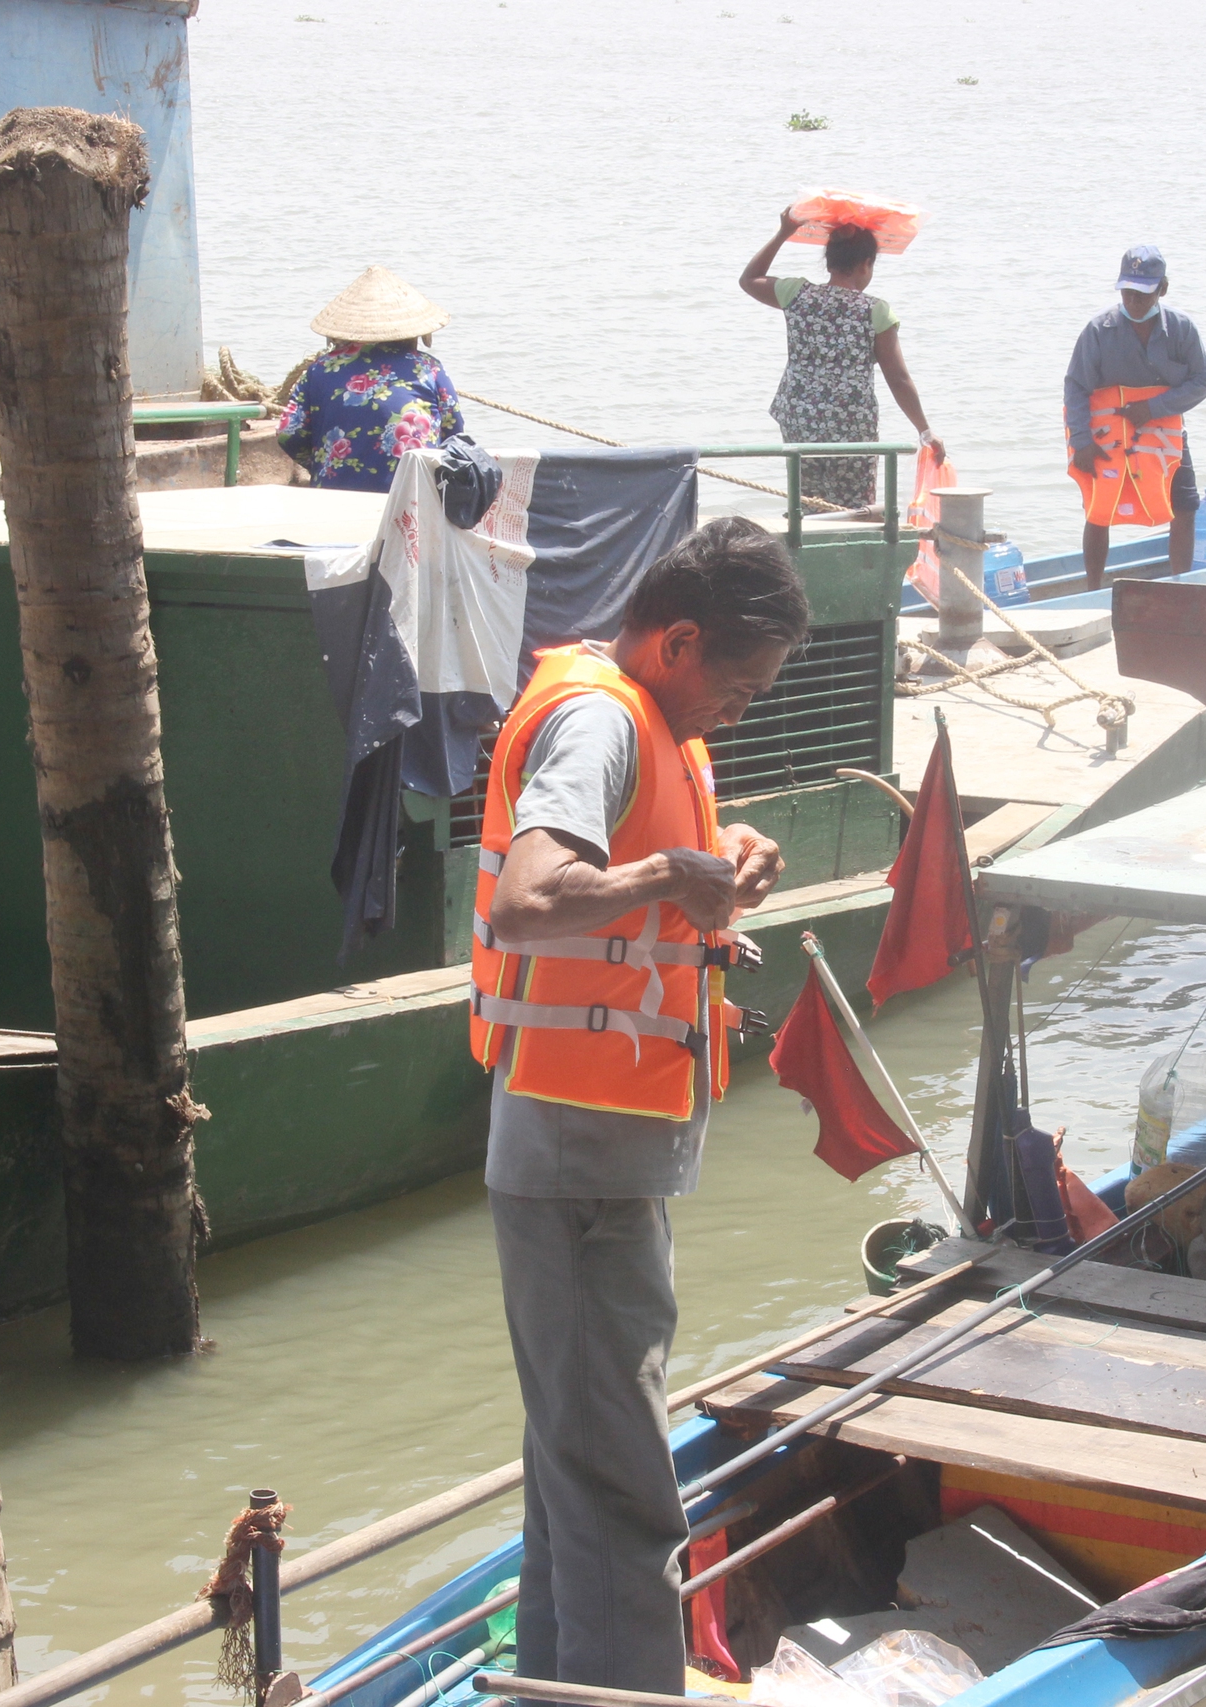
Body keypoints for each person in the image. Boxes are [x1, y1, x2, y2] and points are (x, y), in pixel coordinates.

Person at [470, 516, 809, 1697]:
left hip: (605, 1158)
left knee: (576, 1459)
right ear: (677, 641)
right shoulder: (602, 719)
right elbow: (529, 899)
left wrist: (720, 855)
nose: (745, 710)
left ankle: (565, 1683)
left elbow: (645, 886)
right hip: (577, 1162)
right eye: (743, 684)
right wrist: (673, 875)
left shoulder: (654, 724)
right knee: (619, 1482)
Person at [739, 208, 943, 514]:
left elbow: (750, 279)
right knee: (852, 508)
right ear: (865, 264)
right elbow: (898, 379)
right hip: (851, 422)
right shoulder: (876, 311)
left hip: (800, 417)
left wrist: (784, 232)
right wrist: (925, 431)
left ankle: (803, 549)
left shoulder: (797, 294)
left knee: (807, 504)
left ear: (829, 262)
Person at [1064, 246, 1206, 590]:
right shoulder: (1098, 331)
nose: (1133, 300)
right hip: (1105, 432)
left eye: (1143, 293)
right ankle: (1093, 588)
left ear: (1162, 289)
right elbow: (1075, 387)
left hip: (1162, 431)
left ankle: (1179, 585)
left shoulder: (1181, 329)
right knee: (1098, 510)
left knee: (1185, 505)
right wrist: (1081, 442)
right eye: (1127, 292)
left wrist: (1154, 408)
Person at [277, 265, 467, 492]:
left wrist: (321, 464)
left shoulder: (321, 369)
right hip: (411, 492)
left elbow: (289, 432)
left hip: (334, 490)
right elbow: (453, 431)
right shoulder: (428, 369)